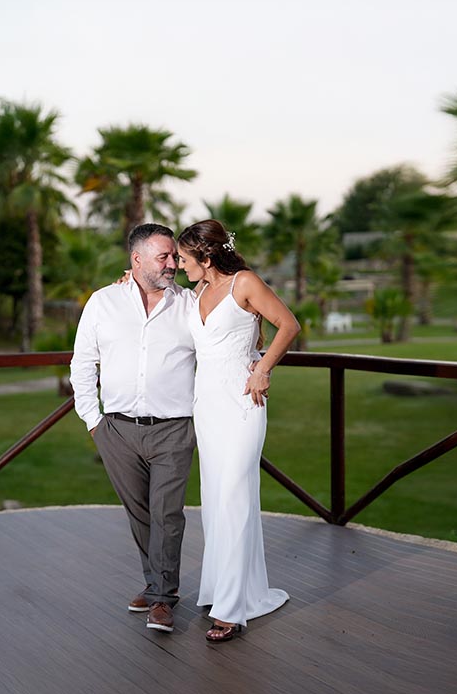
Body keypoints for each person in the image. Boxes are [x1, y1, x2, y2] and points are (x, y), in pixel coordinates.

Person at [69, 223, 197, 634]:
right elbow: (82, 362)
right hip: (118, 431)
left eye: (174, 256)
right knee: (140, 513)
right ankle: (155, 582)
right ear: (136, 259)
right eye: (164, 257)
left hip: (174, 429)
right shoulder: (103, 302)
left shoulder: (190, 304)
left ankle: (162, 599)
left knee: (167, 514)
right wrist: (93, 421)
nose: (173, 264)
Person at [176, 219, 300, 643]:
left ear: (206, 257)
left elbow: (289, 325)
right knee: (215, 501)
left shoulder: (244, 283)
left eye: (185, 258)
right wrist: (128, 281)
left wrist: (263, 368)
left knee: (233, 496)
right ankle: (224, 591)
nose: (180, 264)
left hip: (243, 404)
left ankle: (230, 611)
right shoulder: (195, 291)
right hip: (206, 407)